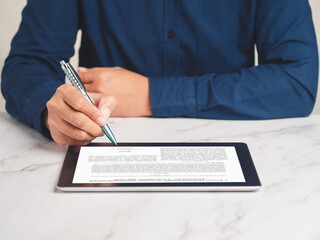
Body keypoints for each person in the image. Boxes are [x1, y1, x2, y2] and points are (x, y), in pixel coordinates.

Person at [1, 0, 318, 146]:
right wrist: (50, 109)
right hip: (105, 148)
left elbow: (296, 80)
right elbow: (27, 64)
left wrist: (150, 95)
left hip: (237, 153)